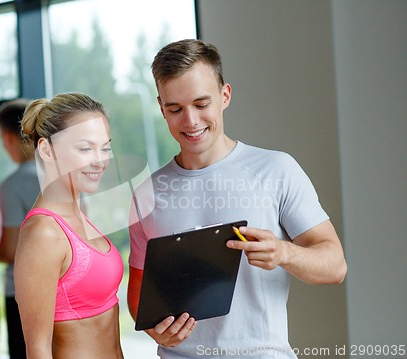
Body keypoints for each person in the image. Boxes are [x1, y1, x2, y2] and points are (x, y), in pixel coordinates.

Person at [127, 39, 347, 358]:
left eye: (202, 104)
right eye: (175, 109)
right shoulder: (146, 194)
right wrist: (153, 329)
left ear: (225, 95)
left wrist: (284, 252)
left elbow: (335, 265)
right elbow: (138, 296)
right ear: (161, 108)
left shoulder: (276, 169)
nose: (190, 121)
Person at [14, 92, 124, 359]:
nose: (100, 160)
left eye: (105, 148)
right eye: (86, 148)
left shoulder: (80, 216)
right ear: (46, 149)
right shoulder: (43, 233)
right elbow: (38, 349)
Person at [0, 98, 39, 359]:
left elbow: (11, 250)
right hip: (66, 290)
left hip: (23, 294)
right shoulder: (66, 174)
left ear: (9, 138)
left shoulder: (11, 185)